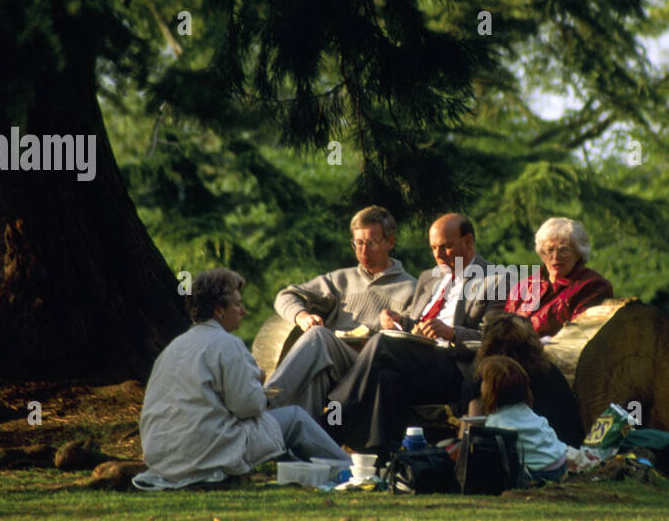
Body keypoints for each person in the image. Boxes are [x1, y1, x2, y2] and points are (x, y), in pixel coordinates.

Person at [135, 268, 349, 489]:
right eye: (237, 304)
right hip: (204, 455)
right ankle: (350, 470)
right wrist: (256, 382)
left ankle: (306, 472)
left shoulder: (174, 347)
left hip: (162, 456)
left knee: (275, 427)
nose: (244, 311)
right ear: (219, 310)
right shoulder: (227, 344)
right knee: (295, 418)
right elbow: (248, 407)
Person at [328, 213, 511, 453]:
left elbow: (493, 339)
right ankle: (379, 455)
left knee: (382, 343)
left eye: (446, 246)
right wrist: (399, 320)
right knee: (385, 377)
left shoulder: (497, 279)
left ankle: (334, 414)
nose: (438, 255)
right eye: (434, 248)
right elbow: (414, 322)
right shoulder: (429, 278)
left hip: (455, 367)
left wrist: (452, 333)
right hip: (417, 360)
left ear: (468, 242)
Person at [264, 206, 417, 415]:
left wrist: (398, 324)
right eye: (358, 243)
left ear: (390, 242)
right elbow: (285, 296)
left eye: (371, 243)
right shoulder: (340, 280)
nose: (363, 251)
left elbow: (415, 341)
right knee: (316, 376)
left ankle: (267, 398)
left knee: (319, 336)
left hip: (373, 367)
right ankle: (297, 431)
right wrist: (302, 316)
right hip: (334, 362)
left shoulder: (411, 289)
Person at [459, 312, 584, 446]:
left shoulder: (490, 373)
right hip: (563, 447)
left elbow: (472, 429)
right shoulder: (549, 370)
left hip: (526, 450)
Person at [504, 217, 613, 337]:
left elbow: (578, 336)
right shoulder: (523, 286)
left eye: (564, 250)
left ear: (578, 254)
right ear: (542, 254)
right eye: (549, 250)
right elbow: (503, 328)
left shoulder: (593, 286)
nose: (555, 256)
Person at [477, 355, 573, 482]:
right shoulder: (524, 409)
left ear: (491, 389)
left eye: (483, 381)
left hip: (538, 472)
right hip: (559, 462)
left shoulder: (495, 421)